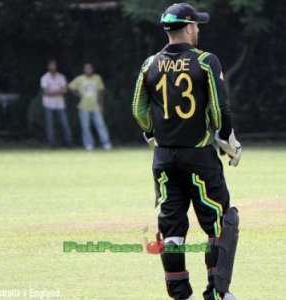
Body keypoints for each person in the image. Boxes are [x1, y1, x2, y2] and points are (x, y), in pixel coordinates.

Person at [132, 3, 242, 300]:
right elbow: (220, 108)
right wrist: (227, 137)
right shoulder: (207, 61)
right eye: (197, 26)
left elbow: (138, 109)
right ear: (189, 27)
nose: (198, 31)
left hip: (164, 158)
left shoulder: (150, 63)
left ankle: (180, 294)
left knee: (171, 228)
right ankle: (217, 293)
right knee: (220, 222)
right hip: (199, 155)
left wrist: (151, 131)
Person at [68, 63, 112, 150]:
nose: (88, 70)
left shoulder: (97, 78)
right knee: (85, 127)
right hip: (83, 107)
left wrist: (101, 105)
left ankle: (106, 143)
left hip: (96, 107)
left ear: (92, 69)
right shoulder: (79, 79)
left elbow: (100, 93)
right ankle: (89, 144)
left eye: (89, 68)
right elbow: (69, 87)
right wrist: (77, 94)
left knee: (101, 125)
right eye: (86, 68)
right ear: (83, 70)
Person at [40, 59, 72, 148]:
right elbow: (46, 93)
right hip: (48, 104)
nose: (53, 67)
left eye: (54, 65)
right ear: (48, 67)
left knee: (65, 124)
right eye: (51, 65)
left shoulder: (61, 77)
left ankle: (69, 143)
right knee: (50, 125)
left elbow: (65, 90)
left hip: (60, 104)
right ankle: (52, 144)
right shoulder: (44, 78)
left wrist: (52, 92)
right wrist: (58, 91)